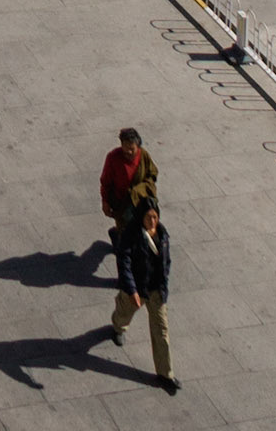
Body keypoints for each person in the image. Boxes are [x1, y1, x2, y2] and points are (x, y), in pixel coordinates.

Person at [110, 199, 177, 392]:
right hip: (137, 289)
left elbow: (166, 261)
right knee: (124, 312)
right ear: (141, 217)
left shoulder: (162, 234)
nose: (153, 221)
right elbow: (124, 263)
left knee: (161, 330)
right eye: (149, 217)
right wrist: (132, 290)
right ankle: (118, 327)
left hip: (156, 290)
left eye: (155, 217)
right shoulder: (131, 235)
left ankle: (165, 374)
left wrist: (163, 284)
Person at [100, 127, 158, 244]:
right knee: (125, 231)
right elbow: (105, 182)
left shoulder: (143, 156)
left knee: (140, 230)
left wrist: (140, 189)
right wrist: (105, 202)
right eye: (125, 149)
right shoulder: (113, 158)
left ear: (138, 146)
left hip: (141, 202)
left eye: (132, 149)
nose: (129, 152)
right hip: (122, 203)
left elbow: (153, 173)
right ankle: (118, 237)